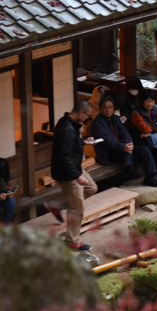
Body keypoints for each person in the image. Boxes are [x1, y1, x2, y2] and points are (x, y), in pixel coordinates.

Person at [48, 100, 96, 251]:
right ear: (80, 112)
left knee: (91, 188)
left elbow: (69, 145)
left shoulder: (68, 122)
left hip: (74, 168)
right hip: (67, 173)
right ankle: (72, 241)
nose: (87, 118)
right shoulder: (67, 128)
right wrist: (77, 176)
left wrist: (82, 141)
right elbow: (64, 156)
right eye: (87, 115)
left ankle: (56, 204)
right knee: (77, 208)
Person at [90, 97, 157, 187]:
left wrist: (129, 144)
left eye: (110, 107)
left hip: (123, 149)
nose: (108, 110)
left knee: (145, 150)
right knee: (127, 150)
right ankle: (128, 166)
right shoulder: (97, 123)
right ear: (100, 108)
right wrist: (123, 147)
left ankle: (150, 177)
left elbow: (125, 133)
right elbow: (108, 141)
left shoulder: (115, 118)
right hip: (109, 152)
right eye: (105, 107)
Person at [128, 90, 157, 178]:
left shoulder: (155, 110)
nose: (149, 104)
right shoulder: (136, 113)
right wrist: (156, 126)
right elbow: (144, 129)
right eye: (147, 101)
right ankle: (156, 171)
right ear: (142, 101)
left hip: (153, 138)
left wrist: (151, 129)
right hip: (141, 140)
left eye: (152, 101)